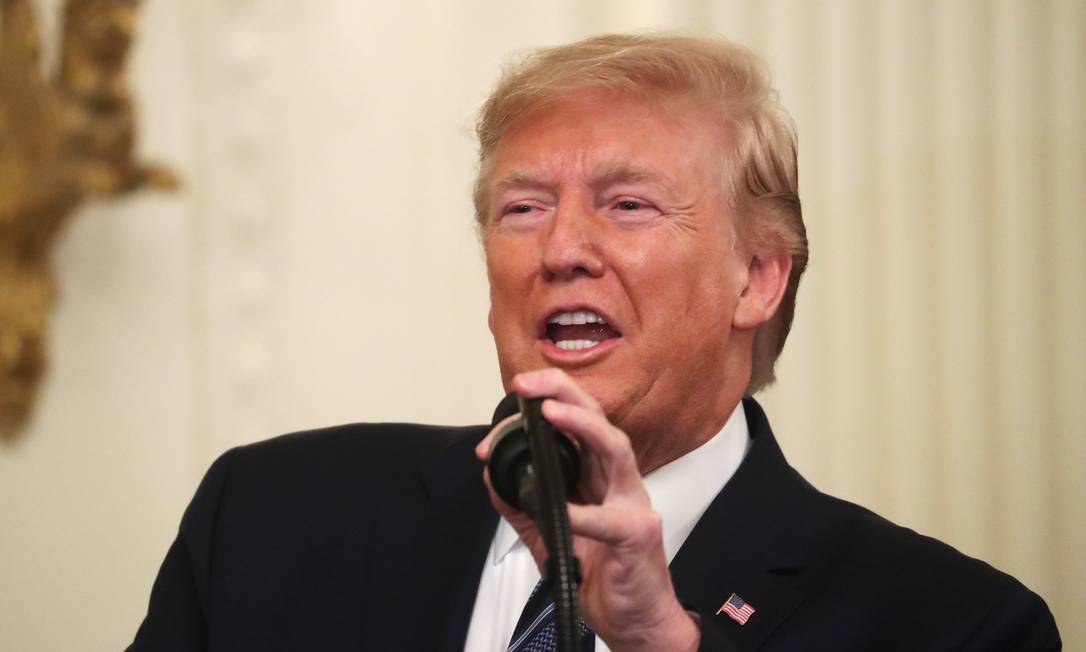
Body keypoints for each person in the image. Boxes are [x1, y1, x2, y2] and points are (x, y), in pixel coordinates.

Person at [129, 33, 1061, 651]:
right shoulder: (266, 520)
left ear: (757, 277)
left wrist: (662, 641)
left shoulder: (954, 626)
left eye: (628, 204)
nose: (562, 249)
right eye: (523, 208)